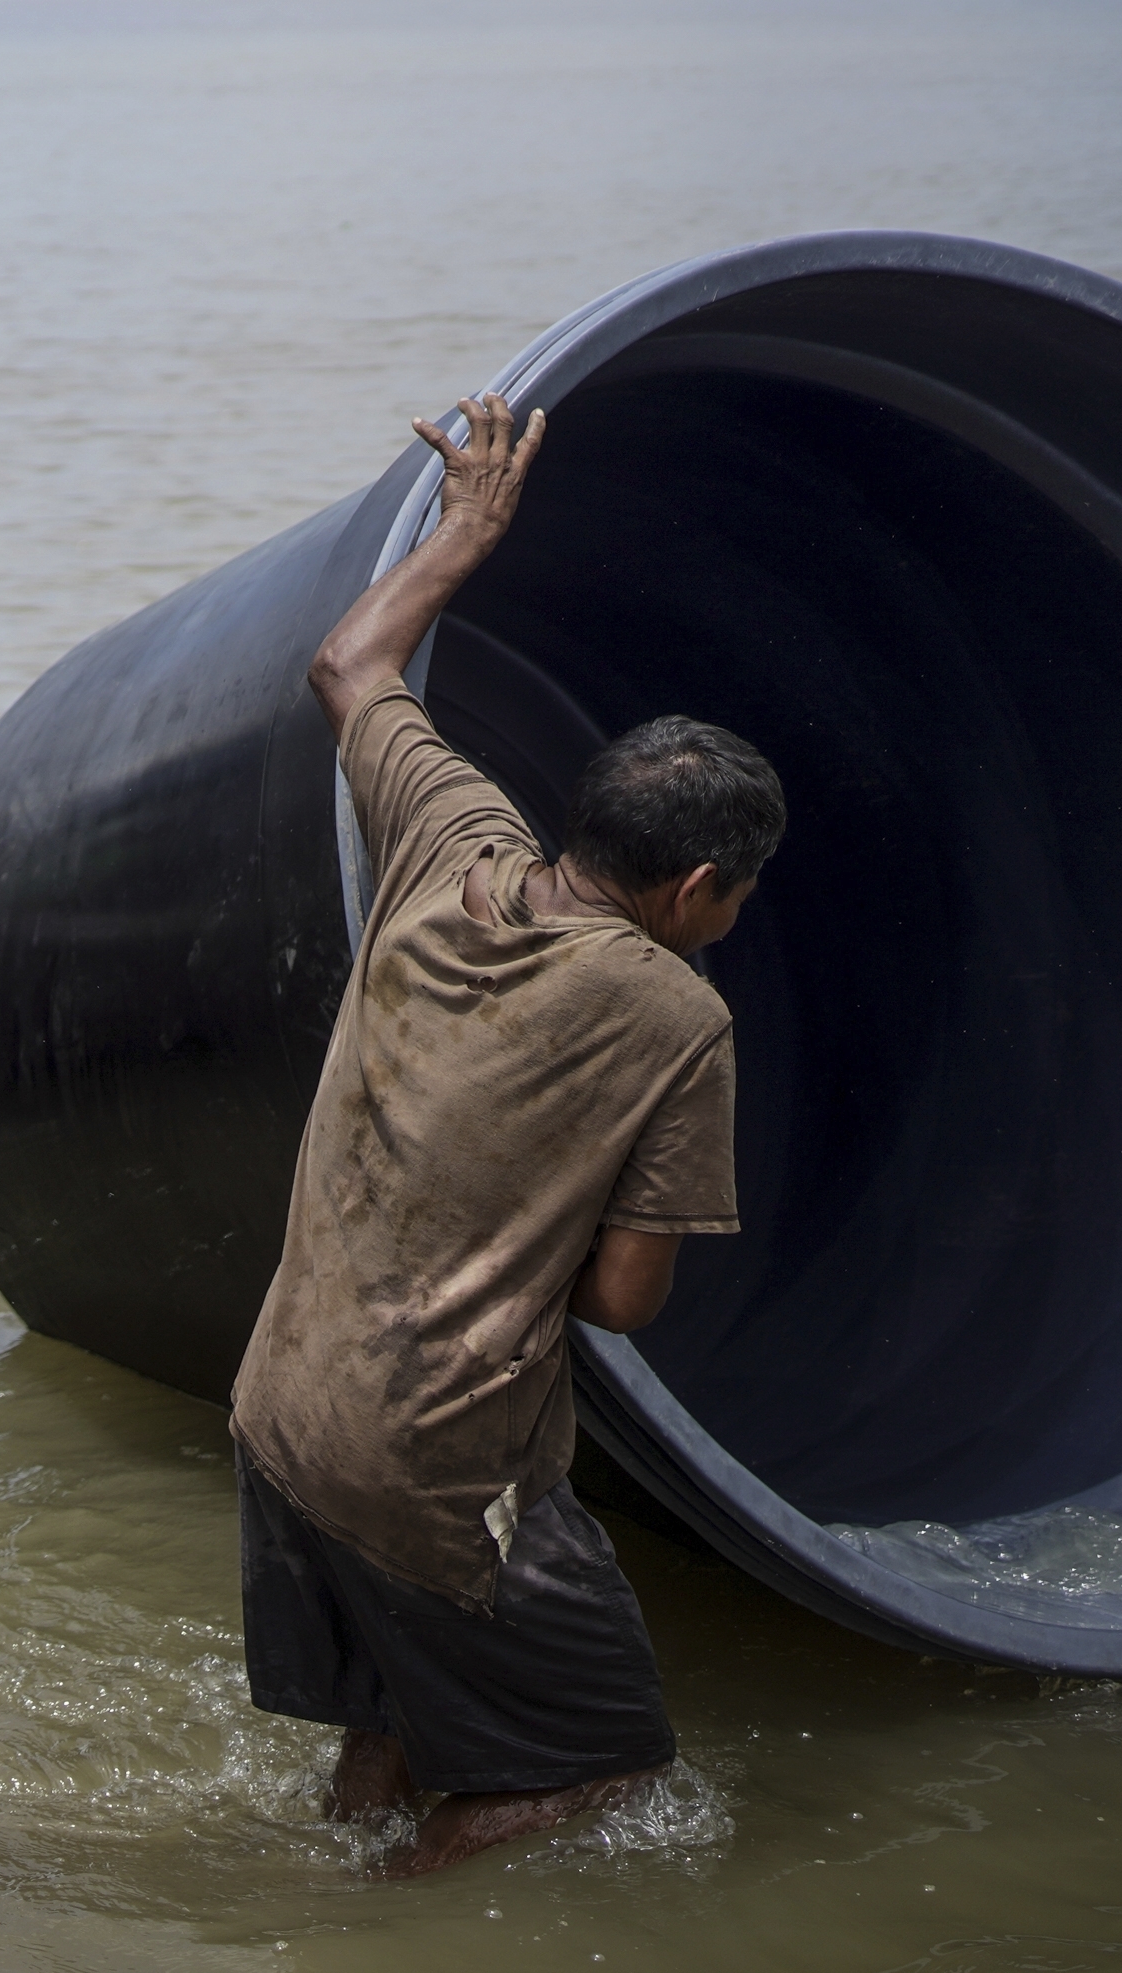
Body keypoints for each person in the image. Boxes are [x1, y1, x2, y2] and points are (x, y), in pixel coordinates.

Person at [227, 386, 779, 1879]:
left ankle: (316, 1892)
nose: (731, 928)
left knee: (401, 1722)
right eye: (737, 901)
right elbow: (618, 1299)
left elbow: (349, 661)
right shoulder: (677, 1017)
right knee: (596, 1768)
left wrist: (467, 527)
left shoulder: (449, 845)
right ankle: (358, 1962)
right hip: (434, 1461)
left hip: (284, 1403)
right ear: (697, 888)